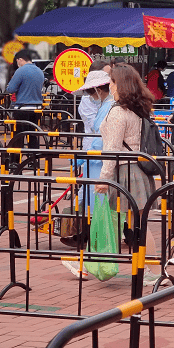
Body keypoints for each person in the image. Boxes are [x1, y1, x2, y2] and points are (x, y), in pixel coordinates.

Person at [64, 63, 158, 284]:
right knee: (137, 222)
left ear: (119, 84)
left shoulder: (118, 111)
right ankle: (149, 269)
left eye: (112, 82)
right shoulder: (137, 107)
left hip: (123, 171)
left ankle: (148, 271)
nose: (110, 85)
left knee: (128, 222)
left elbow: (112, 149)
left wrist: (104, 178)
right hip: (137, 170)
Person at [62, 68, 114, 248]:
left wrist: (84, 156)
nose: (91, 96)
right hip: (94, 161)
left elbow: (101, 137)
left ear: (99, 90)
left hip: (98, 163)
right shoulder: (106, 105)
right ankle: (93, 239)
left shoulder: (108, 106)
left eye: (92, 92)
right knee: (95, 206)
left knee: (98, 206)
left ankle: (97, 243)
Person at [5, 49, 45, 155]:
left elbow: (11, 89)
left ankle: (15, 161)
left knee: (18, 136)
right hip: (36, 108)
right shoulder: (39, 71)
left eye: (17, 61)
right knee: (32, 135)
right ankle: (33, 159)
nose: (17, 64)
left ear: (20, 59)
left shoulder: (21, 71)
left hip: (22, 108)